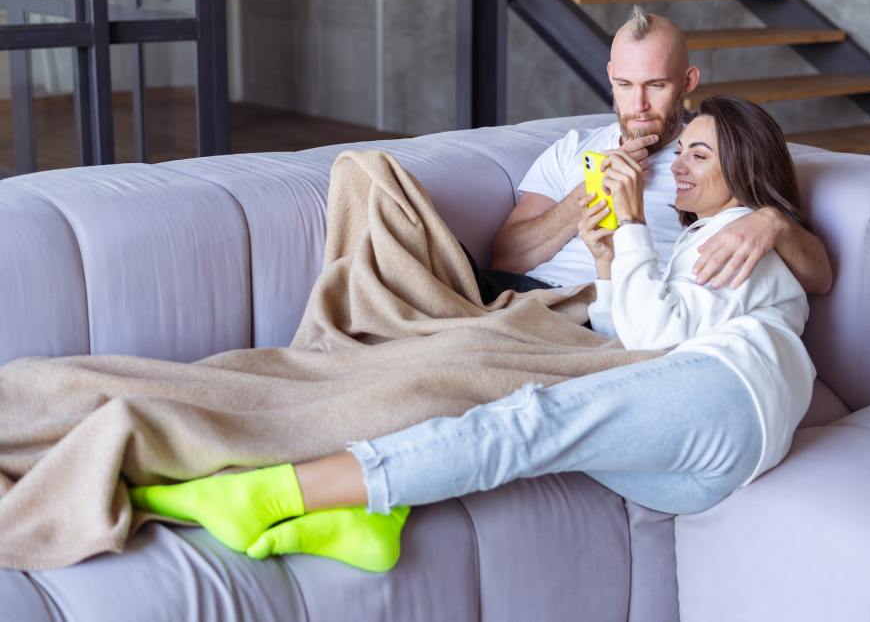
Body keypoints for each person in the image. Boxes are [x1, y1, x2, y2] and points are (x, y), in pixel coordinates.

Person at [130, 96, 816, 573]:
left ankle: (266, 495)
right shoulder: (705, 238)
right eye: (684, 152)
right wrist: (609, 263)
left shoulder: (739, 233)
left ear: (745, 170)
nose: (681, 167)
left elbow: (659, 341)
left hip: (731, 399)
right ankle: (374, 516)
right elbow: (636, 338)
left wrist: (633, 225)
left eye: (699, 154)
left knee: (523, 424)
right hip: (693, 468)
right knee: (493, 407)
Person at [471, 6, 832, 305]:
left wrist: (773, 223)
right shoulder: (572, 146)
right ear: (611, 77)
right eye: (625, 86)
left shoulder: (708, 162)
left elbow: (820, 277)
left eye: (656, 86)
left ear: (688, 81)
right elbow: (507, 257)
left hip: (589, 308)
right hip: (506, 292)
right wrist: (593, 192)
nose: (639, 106)